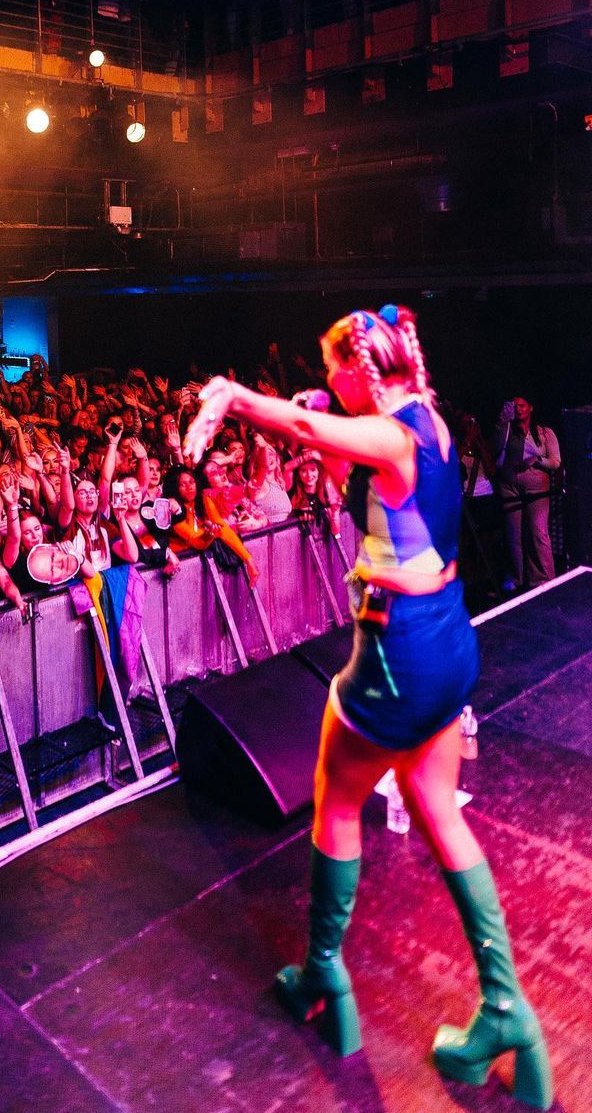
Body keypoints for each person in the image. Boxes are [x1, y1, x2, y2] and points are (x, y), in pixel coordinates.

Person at [184, 304, 551, 1109]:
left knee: (338, 796)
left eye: (333, 370)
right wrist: (319, 417)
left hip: (399, 652)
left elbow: (306, 429)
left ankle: (323, 973)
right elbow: (339, 460)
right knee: (434, 806)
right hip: (449, 639)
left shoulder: (389, 436)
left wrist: (233, 396)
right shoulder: (431, 421)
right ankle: (507, 1009)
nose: (327, 382)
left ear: (362, 368)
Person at [493, 397, 559, 590]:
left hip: (535, 482)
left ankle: (544, 578)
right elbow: (496, 450)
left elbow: (556, 462)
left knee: (537, 531)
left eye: (521, 406)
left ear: (530, 407)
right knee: (513, 533)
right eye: (514, 406)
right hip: (509, 483)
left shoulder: (544, 433)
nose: (518, 409)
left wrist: (537, 460)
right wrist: (502, 422)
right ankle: (517, 577)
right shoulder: (507, 430)